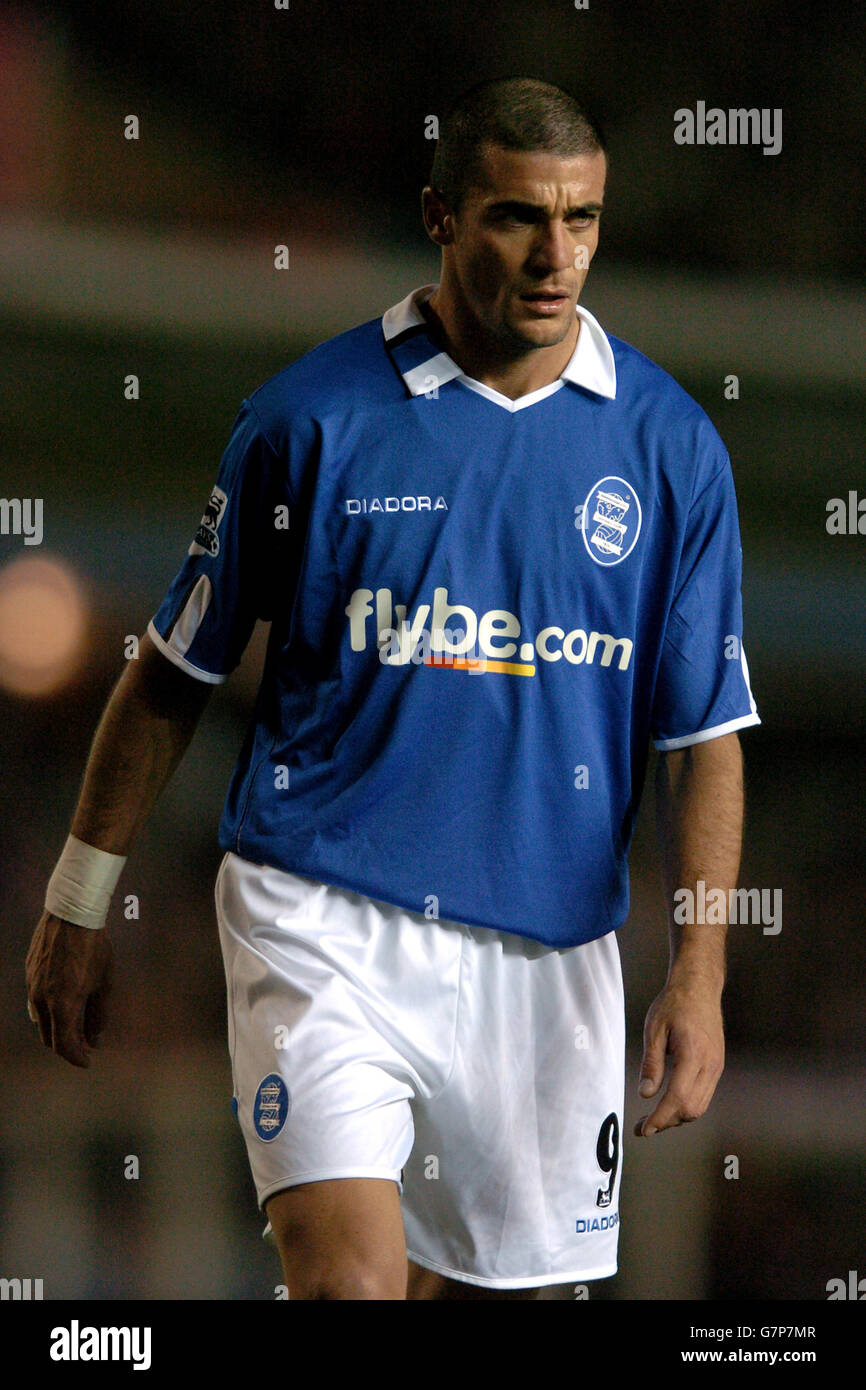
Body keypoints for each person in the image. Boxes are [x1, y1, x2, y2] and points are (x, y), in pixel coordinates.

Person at [25, 76, 760, 1300]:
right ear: (439, 216)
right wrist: (80, 896)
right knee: (350, 1285)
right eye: (517, 216)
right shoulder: (308, 424)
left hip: (549, 955)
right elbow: (171, 676)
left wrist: (699, 971)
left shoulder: (669, 448)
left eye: (580, 220)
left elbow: (706, 740)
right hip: (324, 917)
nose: (553, 252)